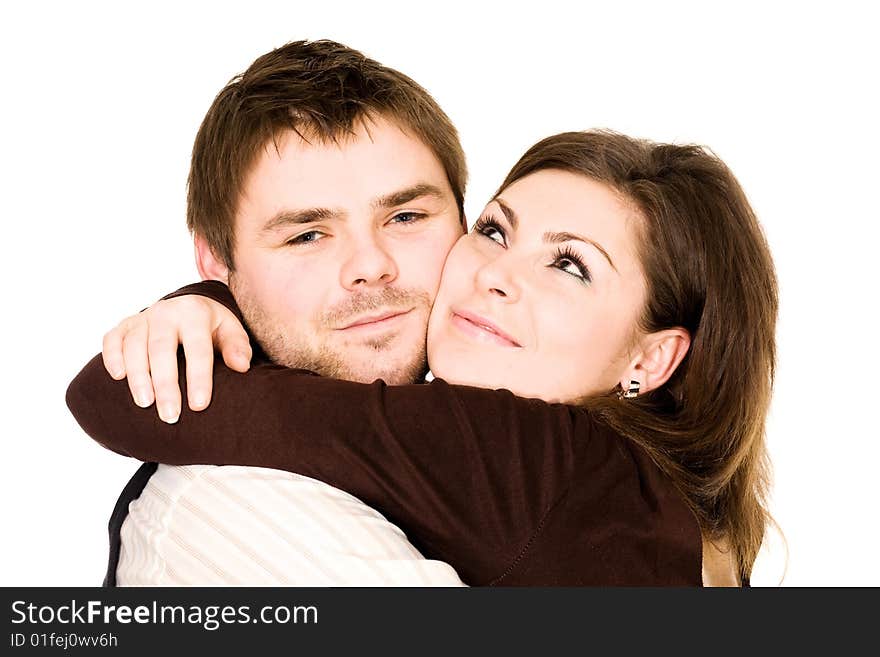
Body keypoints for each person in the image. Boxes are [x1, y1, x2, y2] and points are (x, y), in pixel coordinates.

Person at [68, 130, 779, 586]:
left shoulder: (540, 457)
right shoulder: (671, 513)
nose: (494, 273)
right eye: (496, 230)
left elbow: (125, 395)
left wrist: (215, 303)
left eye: (569, 265)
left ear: (653, 359)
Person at [76, 38, 475, 586]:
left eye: (406, 217)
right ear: (215, 261)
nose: (370, 265)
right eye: (307, 235)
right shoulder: (231, 507)